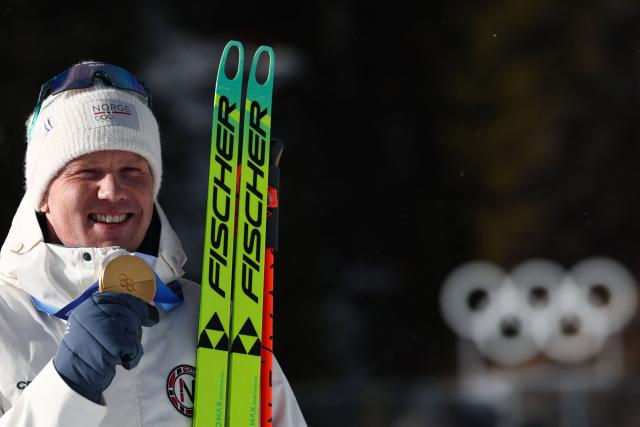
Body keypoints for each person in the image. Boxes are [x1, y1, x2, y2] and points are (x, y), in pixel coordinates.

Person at [0, 61, 307, 426]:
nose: (112, 190)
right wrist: (68, 387)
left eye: (133, 171)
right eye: (87, 172)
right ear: (43, 194)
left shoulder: (217, 320)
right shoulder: (7, 321)